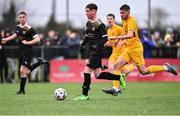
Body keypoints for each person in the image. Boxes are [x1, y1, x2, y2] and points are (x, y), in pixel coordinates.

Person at [97, 4, 177, 86]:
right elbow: (124, 33)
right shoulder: (124, 20)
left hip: (136, 49)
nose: (121, 15)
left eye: (123, 13)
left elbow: (130, 35)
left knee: (143, 71)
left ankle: (165, 67)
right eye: (120, 13)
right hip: (128, 49)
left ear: (128, 12)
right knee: (116, 66)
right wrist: (118, 40)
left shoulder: (131, 21)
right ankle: (116, 88)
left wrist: (115, 37)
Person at [1, 11, 49, 94]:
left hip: (28, 51)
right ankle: (39, 63)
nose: (22, 18)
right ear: (18, 18)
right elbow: (15, 35)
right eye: (20, 17)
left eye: (23, 17)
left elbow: (37, 39)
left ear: (26, 18)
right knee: (25, 72)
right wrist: (6, 39)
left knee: (21, 70)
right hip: (21, 52)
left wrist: (28, 42)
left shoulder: (29, 28)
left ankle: (22, 90)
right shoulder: (18, 27)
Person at [73, 3, 110, 101]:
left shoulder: (100, 24)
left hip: (97, 51)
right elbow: (87, 37)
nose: (86, 13)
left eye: (88, 11)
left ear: (94, 11)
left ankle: (84, 95)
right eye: (86, 11)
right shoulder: (88, 23)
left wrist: (96, 45)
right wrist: (82, 45)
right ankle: (119, 77)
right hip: (92, 51)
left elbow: (105, 38)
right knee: (98, 74)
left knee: (86, 71)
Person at [102, 13, 135, 96]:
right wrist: (105, 44)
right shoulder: (109, 31)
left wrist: (122, 42)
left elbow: (128, 37)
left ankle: (116, 87)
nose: (109, 20)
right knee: (111, 70)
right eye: (108, 18)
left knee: (122, 70)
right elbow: (112, 42)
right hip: (114, 54)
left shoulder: (119, 28)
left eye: (111, 18)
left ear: (114, 19)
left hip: (122, 53)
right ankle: (116, 88)